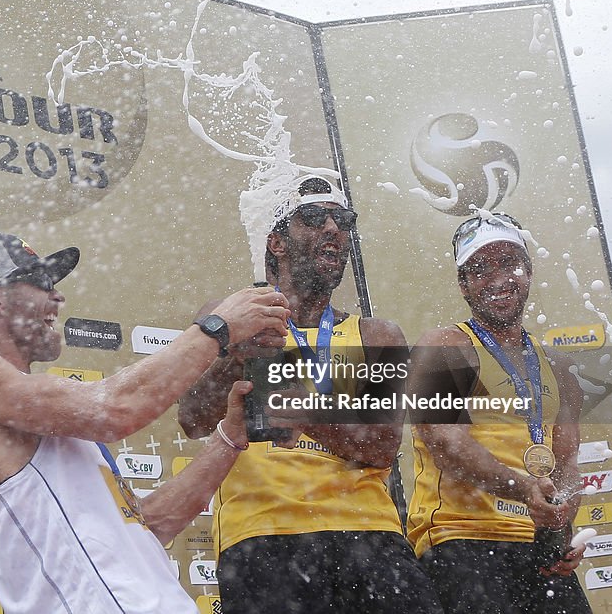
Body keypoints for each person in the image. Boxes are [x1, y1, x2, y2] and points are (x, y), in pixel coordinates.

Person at [0, 232, 291, 614]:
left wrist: (231, 436)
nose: (58, 296)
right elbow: (117, 409)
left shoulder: (48, 417)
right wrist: (218, 328)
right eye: (39, 283)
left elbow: (149, 525)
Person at [178, 176, 443, 613]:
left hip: (370, 534)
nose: (333, 230)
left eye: (342, 220)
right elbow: (192, 419)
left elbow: (380, 446)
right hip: (263, 535)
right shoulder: (225, 315)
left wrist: (296, 404)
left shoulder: (379, 334)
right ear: (277, 243)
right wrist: (234, 357)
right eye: (315, 218)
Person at [405, 213, 591, 614]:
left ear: (528, 270)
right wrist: (524, 489)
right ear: (463, 284)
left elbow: (566, 458)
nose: (498, 279)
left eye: (509, 262)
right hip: (462, 541)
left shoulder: (559, 367)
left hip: (539, 551)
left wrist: (562, 519)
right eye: (481, 269)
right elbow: (445, 443)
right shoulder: (444, 345)